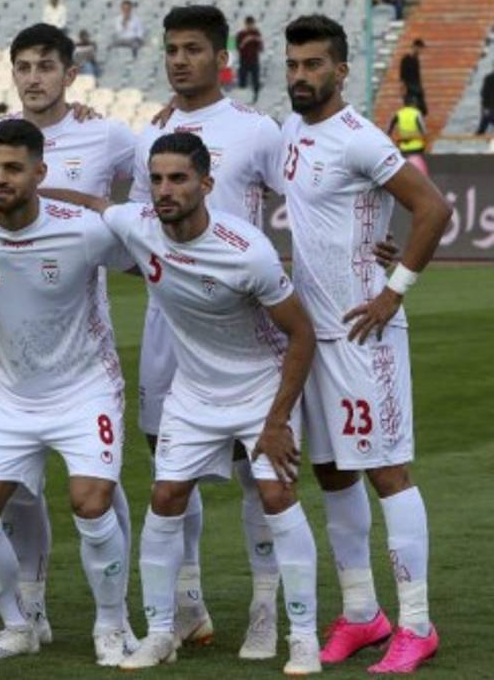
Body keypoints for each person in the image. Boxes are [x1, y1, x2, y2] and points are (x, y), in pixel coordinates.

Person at [87, 133, 323, 676]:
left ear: (206, 184)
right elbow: (94, 204)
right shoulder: (138, 224)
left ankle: (303, 638)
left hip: (260, 387)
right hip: (193, 392)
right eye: (156, 179)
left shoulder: (248, 252)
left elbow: (301, 334)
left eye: (178, 178)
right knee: (166, 496)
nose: (165, 190)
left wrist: (277, 421)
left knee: (276, 494)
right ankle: (161, 633)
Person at [0, 25, 137, 644]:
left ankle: (115, 622)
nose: (33, 78)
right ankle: (24, 618)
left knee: (95, 495)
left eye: (45, 66)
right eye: (23, 67)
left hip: (82, 351)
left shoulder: (105, 138)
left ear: (69, 74)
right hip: (12, 363)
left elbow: (154, 199)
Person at [282, 14, 452, 675]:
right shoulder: (292, 129)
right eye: (294, 64)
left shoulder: (359, 138)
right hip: (313, 335)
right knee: (331, 471)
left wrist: (393, 290)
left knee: (387, 472)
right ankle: (362, 614)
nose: (301, 75)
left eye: (313, 64)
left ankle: (418, 624)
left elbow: (434, 208)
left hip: (363, 332)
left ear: (341, 70)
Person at [129, 6, 292, 660]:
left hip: (244, 332)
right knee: (169, 465)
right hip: (167, 324)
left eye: (192, 49)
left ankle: (264, 608)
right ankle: (188, 603)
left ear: (221, 58)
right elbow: (131, 217)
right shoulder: (150, 132)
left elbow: (306, 203)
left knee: (261, 474)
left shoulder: (255, 129)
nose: (179, 60)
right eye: (171, 49)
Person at [388, 93, 428, 169]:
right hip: (417, 147)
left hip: (403, 147)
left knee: (406, 169)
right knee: (418, 168)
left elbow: (389, 130)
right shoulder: (416, 113)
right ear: (414, 103)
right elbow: (424, 131)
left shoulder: (399, 113)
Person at [236, 16, 264, 101]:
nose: (250, 26)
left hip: (254, 60)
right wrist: (245, 40)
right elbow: (238, 48)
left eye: (251, 24)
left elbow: (261, 48)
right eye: (248, 24)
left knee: (255, 81)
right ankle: (241, 100)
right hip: (243, 60)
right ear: (245, 24)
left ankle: (256, 98)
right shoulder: (240, 34)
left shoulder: (256, 33)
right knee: (242, 81)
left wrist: (258, 40)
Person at [400, 39, 428, 115]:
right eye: (420, 48)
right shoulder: (406, 59)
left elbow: (417, 76)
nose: (421, 51)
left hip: (417, 87)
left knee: (423, 110)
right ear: (415, 47)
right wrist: (403, 88)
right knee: (412, 109)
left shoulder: (416, 59)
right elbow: (402, 75)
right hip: (410, 88)